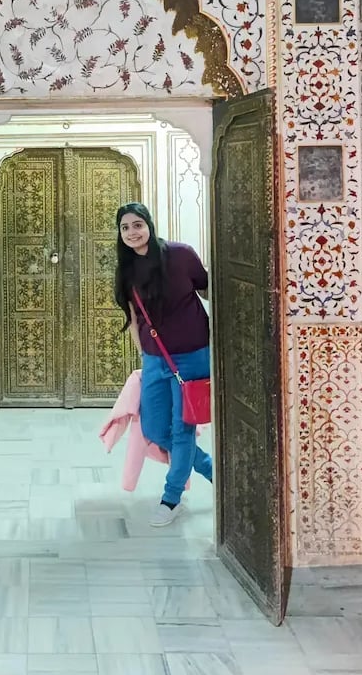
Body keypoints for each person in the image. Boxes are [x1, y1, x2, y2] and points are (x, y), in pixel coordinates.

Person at [113, 202, 212, 527]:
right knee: (155, 428)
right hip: (156, 359)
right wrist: (144, 357)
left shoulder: (181, 254)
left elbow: (208, 288)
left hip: (192, 355)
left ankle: (170, 499)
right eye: (125, 227)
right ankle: (213, 470)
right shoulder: (127, 269)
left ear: (149, 225)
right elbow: (133, 317)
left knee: (182, 429)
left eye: (137, 225)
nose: (132, 232)